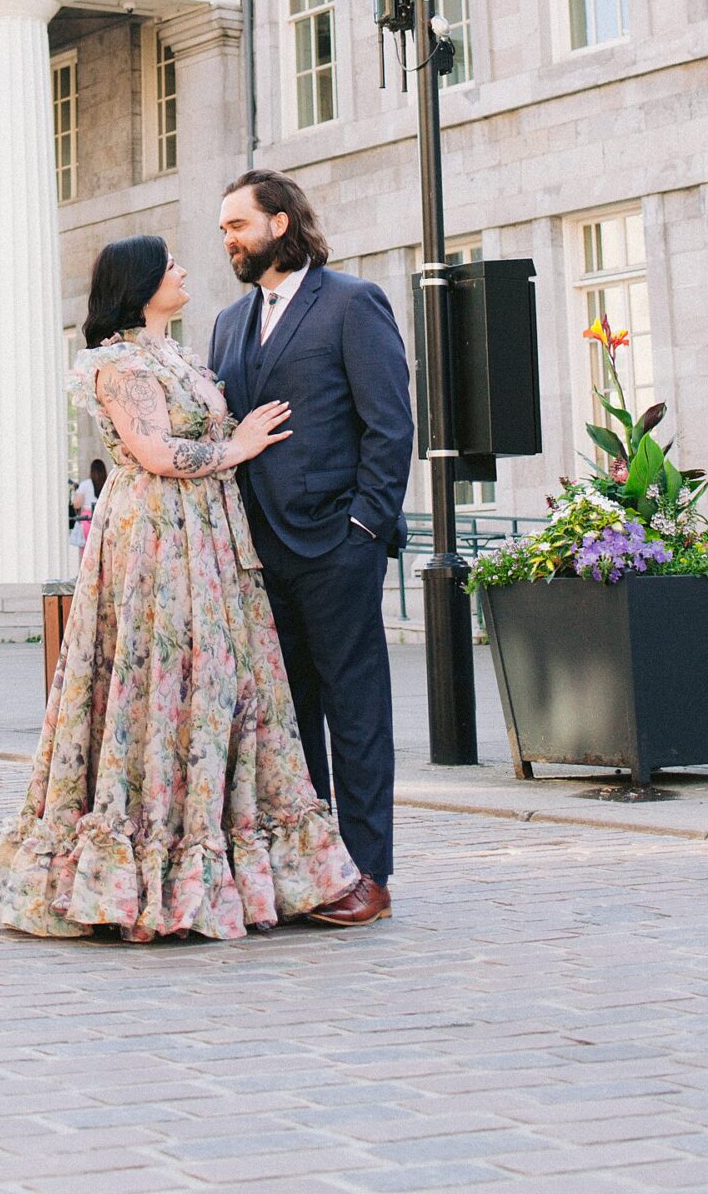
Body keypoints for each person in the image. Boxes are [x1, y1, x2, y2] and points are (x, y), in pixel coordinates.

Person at [0, 234, 362, 943]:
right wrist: (235, 448)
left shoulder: (178, 355)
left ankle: (228, 863)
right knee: (161, 678)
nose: (184, 270)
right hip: (154, 534)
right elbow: (154, 452)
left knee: (220, 683)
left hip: (208, 537)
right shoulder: (116, 362)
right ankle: (148, 870)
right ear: (141, 282)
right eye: (171, 264)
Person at [209, 172, 414, 931]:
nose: (227, 238)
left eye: (237, 224)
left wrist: (365, 529)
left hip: (336, 545)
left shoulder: (351, 304)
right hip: (258, 554)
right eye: (223, 228)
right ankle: (310, 869)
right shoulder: (228, 324)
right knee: (289, 724)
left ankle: (368, 873)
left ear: (281, 222)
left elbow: (389, 426)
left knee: (355, 714)